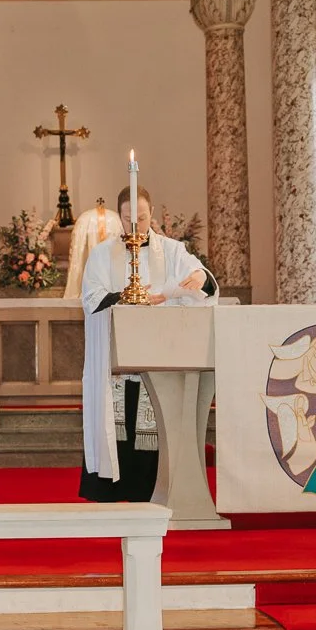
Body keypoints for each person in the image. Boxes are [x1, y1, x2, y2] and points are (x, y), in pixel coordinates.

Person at [79, 184, 216, 502]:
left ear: (151, 214)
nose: (135, 226)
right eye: (128, 218)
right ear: (119, 217)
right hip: (117, 364)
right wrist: (129, 298)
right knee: (117, 424)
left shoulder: (171, 250)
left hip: (160, 358)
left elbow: (203, 280)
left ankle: (154, 489)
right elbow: (92, 298)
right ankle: (109, 491)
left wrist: (199, 278)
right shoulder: (102, 254)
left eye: (141, 218)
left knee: (154, 422)